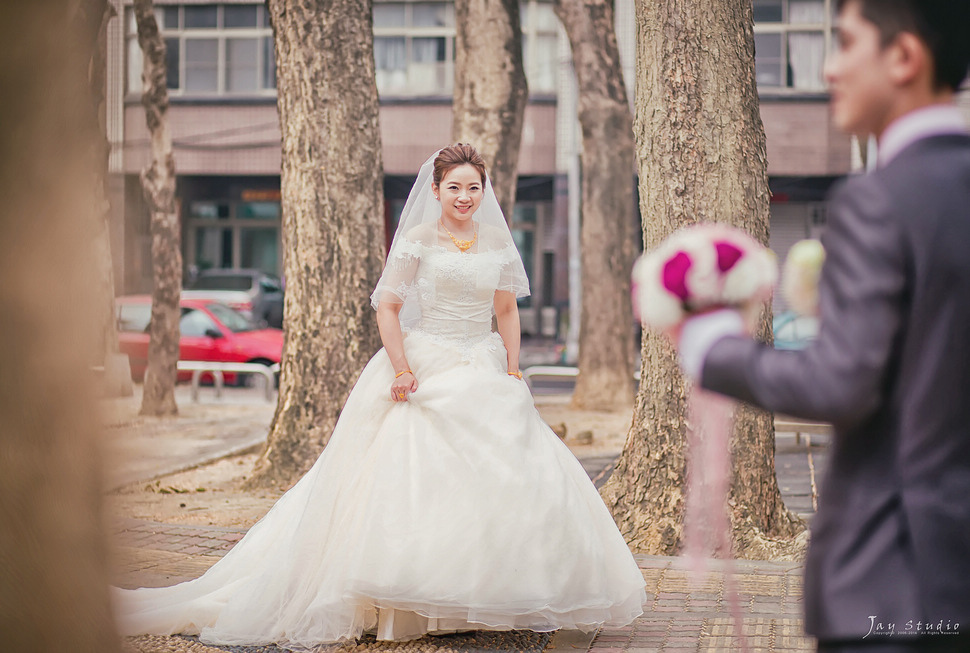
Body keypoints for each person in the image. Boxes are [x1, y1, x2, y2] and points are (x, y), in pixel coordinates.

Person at [113, 144, 646, 649]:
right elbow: (387, 306)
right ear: (435, 190)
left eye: (474, 188)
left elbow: (506, 310)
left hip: (483, 364)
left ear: (485, 193)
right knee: (409, 477)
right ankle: (404, 601)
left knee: (504, 478)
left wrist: (512, 365)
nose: (465, 197)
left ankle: (470, 600)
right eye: (455, 187)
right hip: (424, 361)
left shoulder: (497, 243)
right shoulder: (417, 237)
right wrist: (402, 367)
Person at [675, 1, 970, 651]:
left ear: (904, 57)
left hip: (896, 576)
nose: (829, 69)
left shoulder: (881, 200)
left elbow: (842, 381)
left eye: (843, 44)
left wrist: (712, 349)